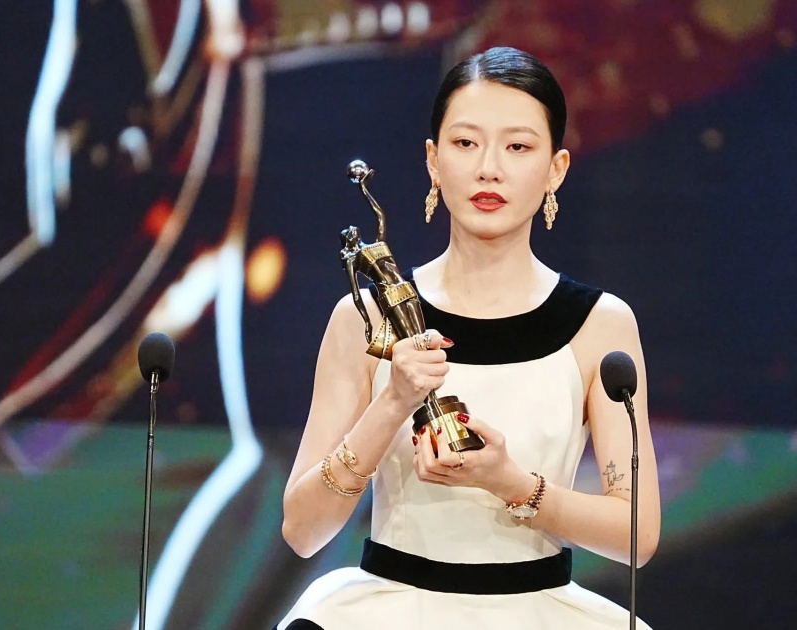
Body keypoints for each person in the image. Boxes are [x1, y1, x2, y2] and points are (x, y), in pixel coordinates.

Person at [278, 46, 660, 629]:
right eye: (465, 143)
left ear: (556, 169)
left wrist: (511, 483)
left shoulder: (599, 323)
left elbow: (637, 535)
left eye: (518, 147)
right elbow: (303, 531)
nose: (489, 169)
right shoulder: (366, 316)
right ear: (433, 161)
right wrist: (392, 402)